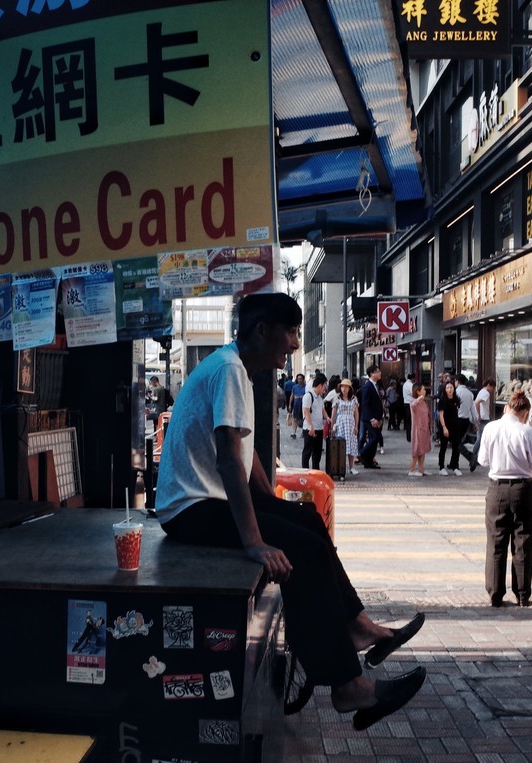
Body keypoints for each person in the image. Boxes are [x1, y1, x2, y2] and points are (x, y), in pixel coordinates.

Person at [156, 293, 426, 727]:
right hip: (190, 510)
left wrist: (273, 505)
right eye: (292, 331)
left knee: (307, 520)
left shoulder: (236, 369)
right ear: (263, 330)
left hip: (208, 502)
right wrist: (256, 542)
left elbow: (244, 455)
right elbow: (228, 458)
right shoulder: (228, 370)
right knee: (304, 550)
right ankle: (348, 686)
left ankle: (356, 624)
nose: (296, 343)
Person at [476, 390, 532, 608]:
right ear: (524, 412)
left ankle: (495, 594)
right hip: (523, 489)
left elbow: (483, 459)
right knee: (523, 542)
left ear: (506, 407)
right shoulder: (527, 432)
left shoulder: (490, 428)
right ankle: (522, 594)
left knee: (495, 542)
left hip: (496, 489)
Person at [332, 379, 361, 475]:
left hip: (350, 423)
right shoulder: (337, 398)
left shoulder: (354, 399)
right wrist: (332, 426)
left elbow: (356, 413)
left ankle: (351, 467)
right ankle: (341, 467)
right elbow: (334, 413)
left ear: (350, 388)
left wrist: (356, 426)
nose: (344, 389)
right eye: (342, 386)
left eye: (346, 387)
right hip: (340, 423)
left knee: (351, 445)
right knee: (341, 446)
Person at [358, 365, 384, 469]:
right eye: (377, 372)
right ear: (372, 374)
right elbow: (365, 404)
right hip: (369, 418)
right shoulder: (367, 386)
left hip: (376, 417)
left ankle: (368, 461)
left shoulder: (376, 385)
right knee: (375, 438)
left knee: (375, 439)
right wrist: (372, 419)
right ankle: (361, 453)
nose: (379, 373)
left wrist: (380, 418)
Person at [301, 373, 328, 470]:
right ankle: (305, 471)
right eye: (324, 386)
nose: (325, 388)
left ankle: (315, 471)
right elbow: (306, 411)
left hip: (319, 428)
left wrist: (327, 418)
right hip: (310, 429)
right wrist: (310, 426)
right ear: (320, 385)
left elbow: (322, 410)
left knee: (317, 452)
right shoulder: (308, 396)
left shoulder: (319, 397)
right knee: (307, 452)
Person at [468, 378, 496, 472]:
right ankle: (474, 456)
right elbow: (477, 402)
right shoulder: (486, 393)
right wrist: (478, 415)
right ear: (489, 385)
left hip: (484, 417)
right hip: (483, 418)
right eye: (492, 387)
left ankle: (476, 457)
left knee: (481, 438)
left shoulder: (482, 391)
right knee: (481, 438)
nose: (492, 389)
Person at [409, 382, 432, 477]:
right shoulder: (415, 402)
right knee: (416, 450)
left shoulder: (423, 402)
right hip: (417, 430)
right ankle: (412, 470)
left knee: (423, 450)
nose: (425, 391)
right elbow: (412, 405)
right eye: (423, 389)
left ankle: (421, 469)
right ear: (418, 391)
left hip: (425, 429)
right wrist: (418, 399)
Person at [435, 381, 459, 476]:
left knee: (456, 447)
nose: (450, 389)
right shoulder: (442, 400)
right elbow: (441, 415)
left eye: (451, 387)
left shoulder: (456, 399)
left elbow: (456, 411)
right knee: (443, 447)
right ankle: (441, 466)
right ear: (445, 389)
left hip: (455, 426)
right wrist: (444, 427)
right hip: (445, 426)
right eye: (448, 388)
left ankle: (455, 466)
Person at [288, 373, 306, 439]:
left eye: (301, 379)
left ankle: (303, 432)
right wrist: (290, 405)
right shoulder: (294, 387)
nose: (299, 380)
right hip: (296, 405)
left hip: (304, 406)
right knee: (295, 418)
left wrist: (302, 397)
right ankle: (294, 432)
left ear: (303, 379)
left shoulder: (306, 387)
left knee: (304, 419)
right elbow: (292, 395)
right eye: (298, 379)